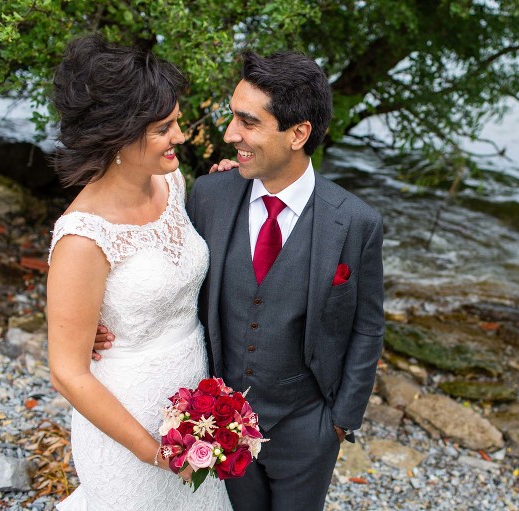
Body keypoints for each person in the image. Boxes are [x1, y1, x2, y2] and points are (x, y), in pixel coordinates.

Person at [95, 49, 386, 510]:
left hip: (308, 428)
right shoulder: (209, 195)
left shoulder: (355, 222)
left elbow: (368, 327)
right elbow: (156, 262)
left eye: (247, 122)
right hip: (219, 427)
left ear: (298, 134)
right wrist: (100, 317)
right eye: (233, 117)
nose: (230, 134)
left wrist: (339, 420)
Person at [45, 35, 232, 510]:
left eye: (176, 122)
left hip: (194, 400)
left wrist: (233, 191)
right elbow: (67, 373)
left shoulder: (172, 181)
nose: (180, 137)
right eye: (164, 128)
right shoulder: (83, 237)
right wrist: (154, 451)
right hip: (127, 424)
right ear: (120, 135)